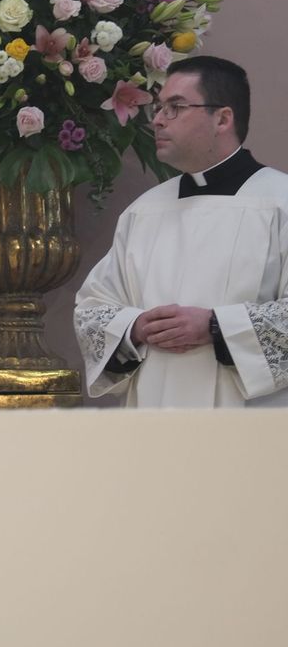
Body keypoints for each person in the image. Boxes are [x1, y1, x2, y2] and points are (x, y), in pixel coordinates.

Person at [75, 55, 288, 407]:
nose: (157, 121)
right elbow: (92, 310)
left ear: (222, 118)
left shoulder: (279, 202)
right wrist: (137, 327)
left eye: (174, 107)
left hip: (255, 429)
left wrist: (217, 327)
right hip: (156, 421)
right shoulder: (144, 211)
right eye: (158, 108)